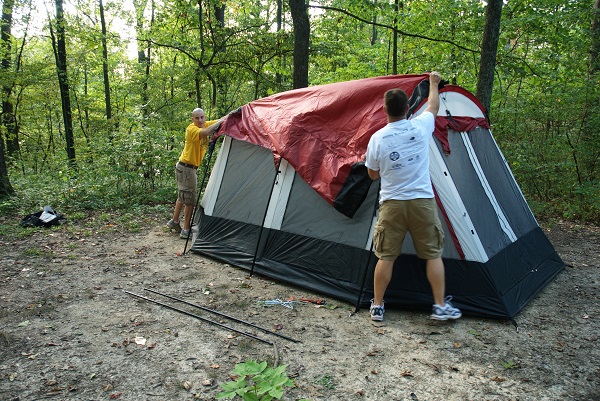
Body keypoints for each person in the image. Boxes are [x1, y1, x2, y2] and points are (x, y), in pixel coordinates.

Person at [364, 72, 462, 322]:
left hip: (392, 205)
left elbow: (372, 175)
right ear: (408, 108)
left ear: (385, 111)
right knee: (432, 254)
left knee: (385, 256)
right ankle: (440, 306)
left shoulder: (377, 138)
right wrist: (433, 82)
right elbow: (433, 105)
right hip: (422, 203)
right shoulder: (420, 126)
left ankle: (377, 306)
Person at [167, 108, 224, 239]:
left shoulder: (205, 124)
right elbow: (206, 132)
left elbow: (219, 122)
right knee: (190, 200)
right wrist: (216, 124)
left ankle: (174, 222)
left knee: (183, 196)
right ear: (192, 119)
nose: (200, 120)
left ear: (205, 117)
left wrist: (234, 114)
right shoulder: (192, 129)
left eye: (202, 117)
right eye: (197, 118)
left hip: (184, 167)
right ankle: (186, 230)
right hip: (187, 168)